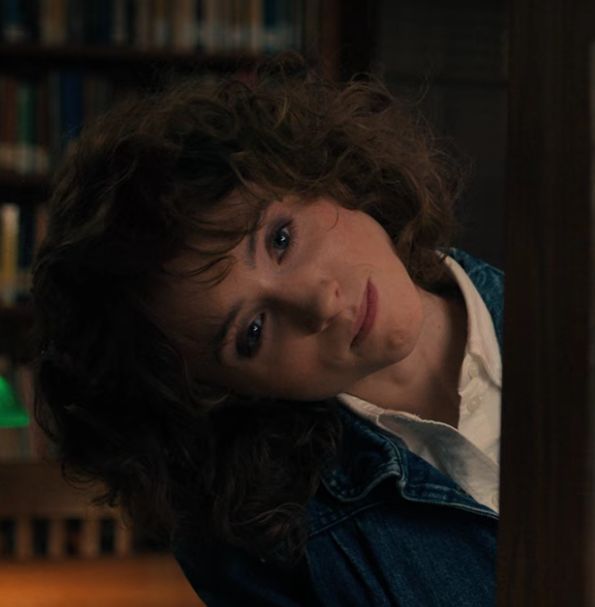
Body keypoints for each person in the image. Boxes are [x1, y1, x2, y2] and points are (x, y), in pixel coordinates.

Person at [32, 53, 503, 606]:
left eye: (280, 239)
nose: (316, 302)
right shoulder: (260, 547)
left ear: (321, 175)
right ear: (225, 394)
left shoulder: (570, 299)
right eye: (252, 332)